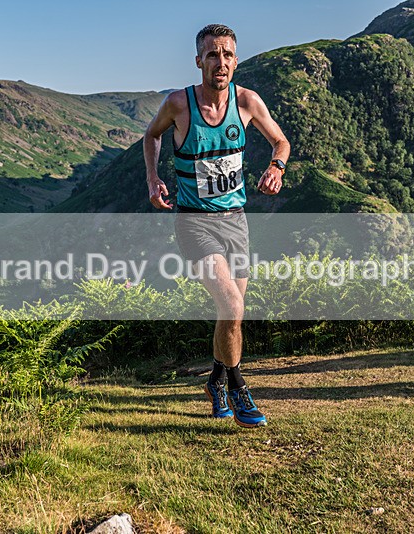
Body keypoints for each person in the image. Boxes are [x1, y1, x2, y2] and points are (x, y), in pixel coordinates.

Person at [143, 24, 290, 428]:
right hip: (195, 223)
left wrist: (276, 167)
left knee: (232, 316)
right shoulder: (179, 104)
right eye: (212, 54)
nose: (220, 62)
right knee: (232, 305)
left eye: (227, 54)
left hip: (237, 222)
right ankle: (240, 388)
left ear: (235, 60)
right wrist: (153, 178)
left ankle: (214, 381)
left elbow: (281, 142)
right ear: (199, 62)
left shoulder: (247, 102)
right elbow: (151, 137)